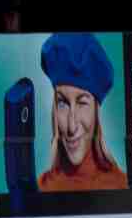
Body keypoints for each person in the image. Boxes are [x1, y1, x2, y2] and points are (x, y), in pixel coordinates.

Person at [37, 33, 127, 192]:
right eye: (63, 103)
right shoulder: (41, 186)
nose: (72, 126)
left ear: (96, 111)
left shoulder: (121, 185)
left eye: (82, 103)